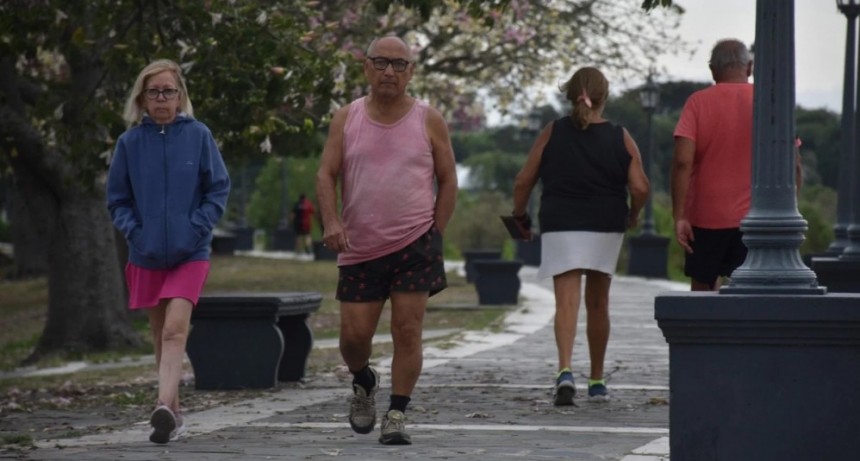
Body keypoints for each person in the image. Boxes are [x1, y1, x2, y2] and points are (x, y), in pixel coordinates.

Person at [315, 35, 457, 445]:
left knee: (407, 330)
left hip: (415, 243)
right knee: (354, 338)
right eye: (381, 63)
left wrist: (436, 232)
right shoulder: (347, 117)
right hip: (359, 246)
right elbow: (326, 173)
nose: (389, 71)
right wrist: (330, 221)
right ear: (366, 68)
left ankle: (397, 413)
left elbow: (448, 180)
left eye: (399, 65)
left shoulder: (429, 119)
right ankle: (363, 379)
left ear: (411, 72)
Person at [106, 59, 230, 444]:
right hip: (145, 253)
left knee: (176, 329)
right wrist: (136, 234)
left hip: (190, 252)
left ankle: (160, 405)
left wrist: (196, 228)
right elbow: (118, 201)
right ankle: (172, 413)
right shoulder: (129, 144)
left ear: (180, 97)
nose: (161, 98)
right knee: (160, 333)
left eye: (168, 91)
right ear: (142, 99)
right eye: (153, 92)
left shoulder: (199, 136)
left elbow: (218, 190)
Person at [511, 67, 649, 406]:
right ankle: (598, 379)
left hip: (561, 222)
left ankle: (565, 370)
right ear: (605, 96)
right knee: (599, 303)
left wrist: (519, 216)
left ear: (571, 94)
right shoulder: (621, 136)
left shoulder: (553, 132)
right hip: (606, 223)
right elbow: (640, 186)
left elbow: (523, 181)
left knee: (566, 302)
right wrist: (633, 214)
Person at [671, 39, 753, 291]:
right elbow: (793, 163)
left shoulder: (698, 103)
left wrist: (680, 215)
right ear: (749, 67)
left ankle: (704, 331)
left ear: (712, 69)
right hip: (756, 217)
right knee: (750, 288)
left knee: (703, 287)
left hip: (706, 216)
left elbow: (683, 161)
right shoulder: (769, 102)